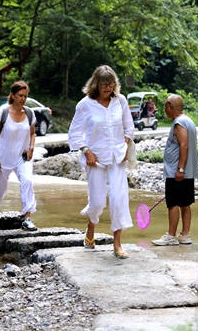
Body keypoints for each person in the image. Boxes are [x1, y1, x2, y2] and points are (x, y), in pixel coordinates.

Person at [68, 65, 134, 259]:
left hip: (117, 157)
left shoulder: (120, 101)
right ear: (96, 84)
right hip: (95, 158)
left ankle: (117, 243)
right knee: (97, 202)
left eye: (111, 83)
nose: (108, 87)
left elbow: (128, 128)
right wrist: (86, 151)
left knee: (118, 198)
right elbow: (74, 133)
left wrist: (125, 146)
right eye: (104, 84)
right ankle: (91, 226)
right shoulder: (84, 105)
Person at [0, 81, 38, 232]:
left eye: (25, 96)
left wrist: (31, 148)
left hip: (22, 157)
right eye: (20, 95)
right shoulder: (3, 112)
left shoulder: (29, 113)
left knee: (27, 181)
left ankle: (27, 218)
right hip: (3, 157)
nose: (23, 99)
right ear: (13, 95)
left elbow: (32, 133)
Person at [152, 94, 198, 246]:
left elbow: (184, 145)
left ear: (170, 106)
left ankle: (171, 236)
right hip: (187, 171)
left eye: (165, 106)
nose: (164, 110)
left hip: (176, 171)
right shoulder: (189, 121)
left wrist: (180, 169)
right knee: (185, 203)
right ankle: (184, 234)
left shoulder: (179, 123)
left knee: (173, 203)